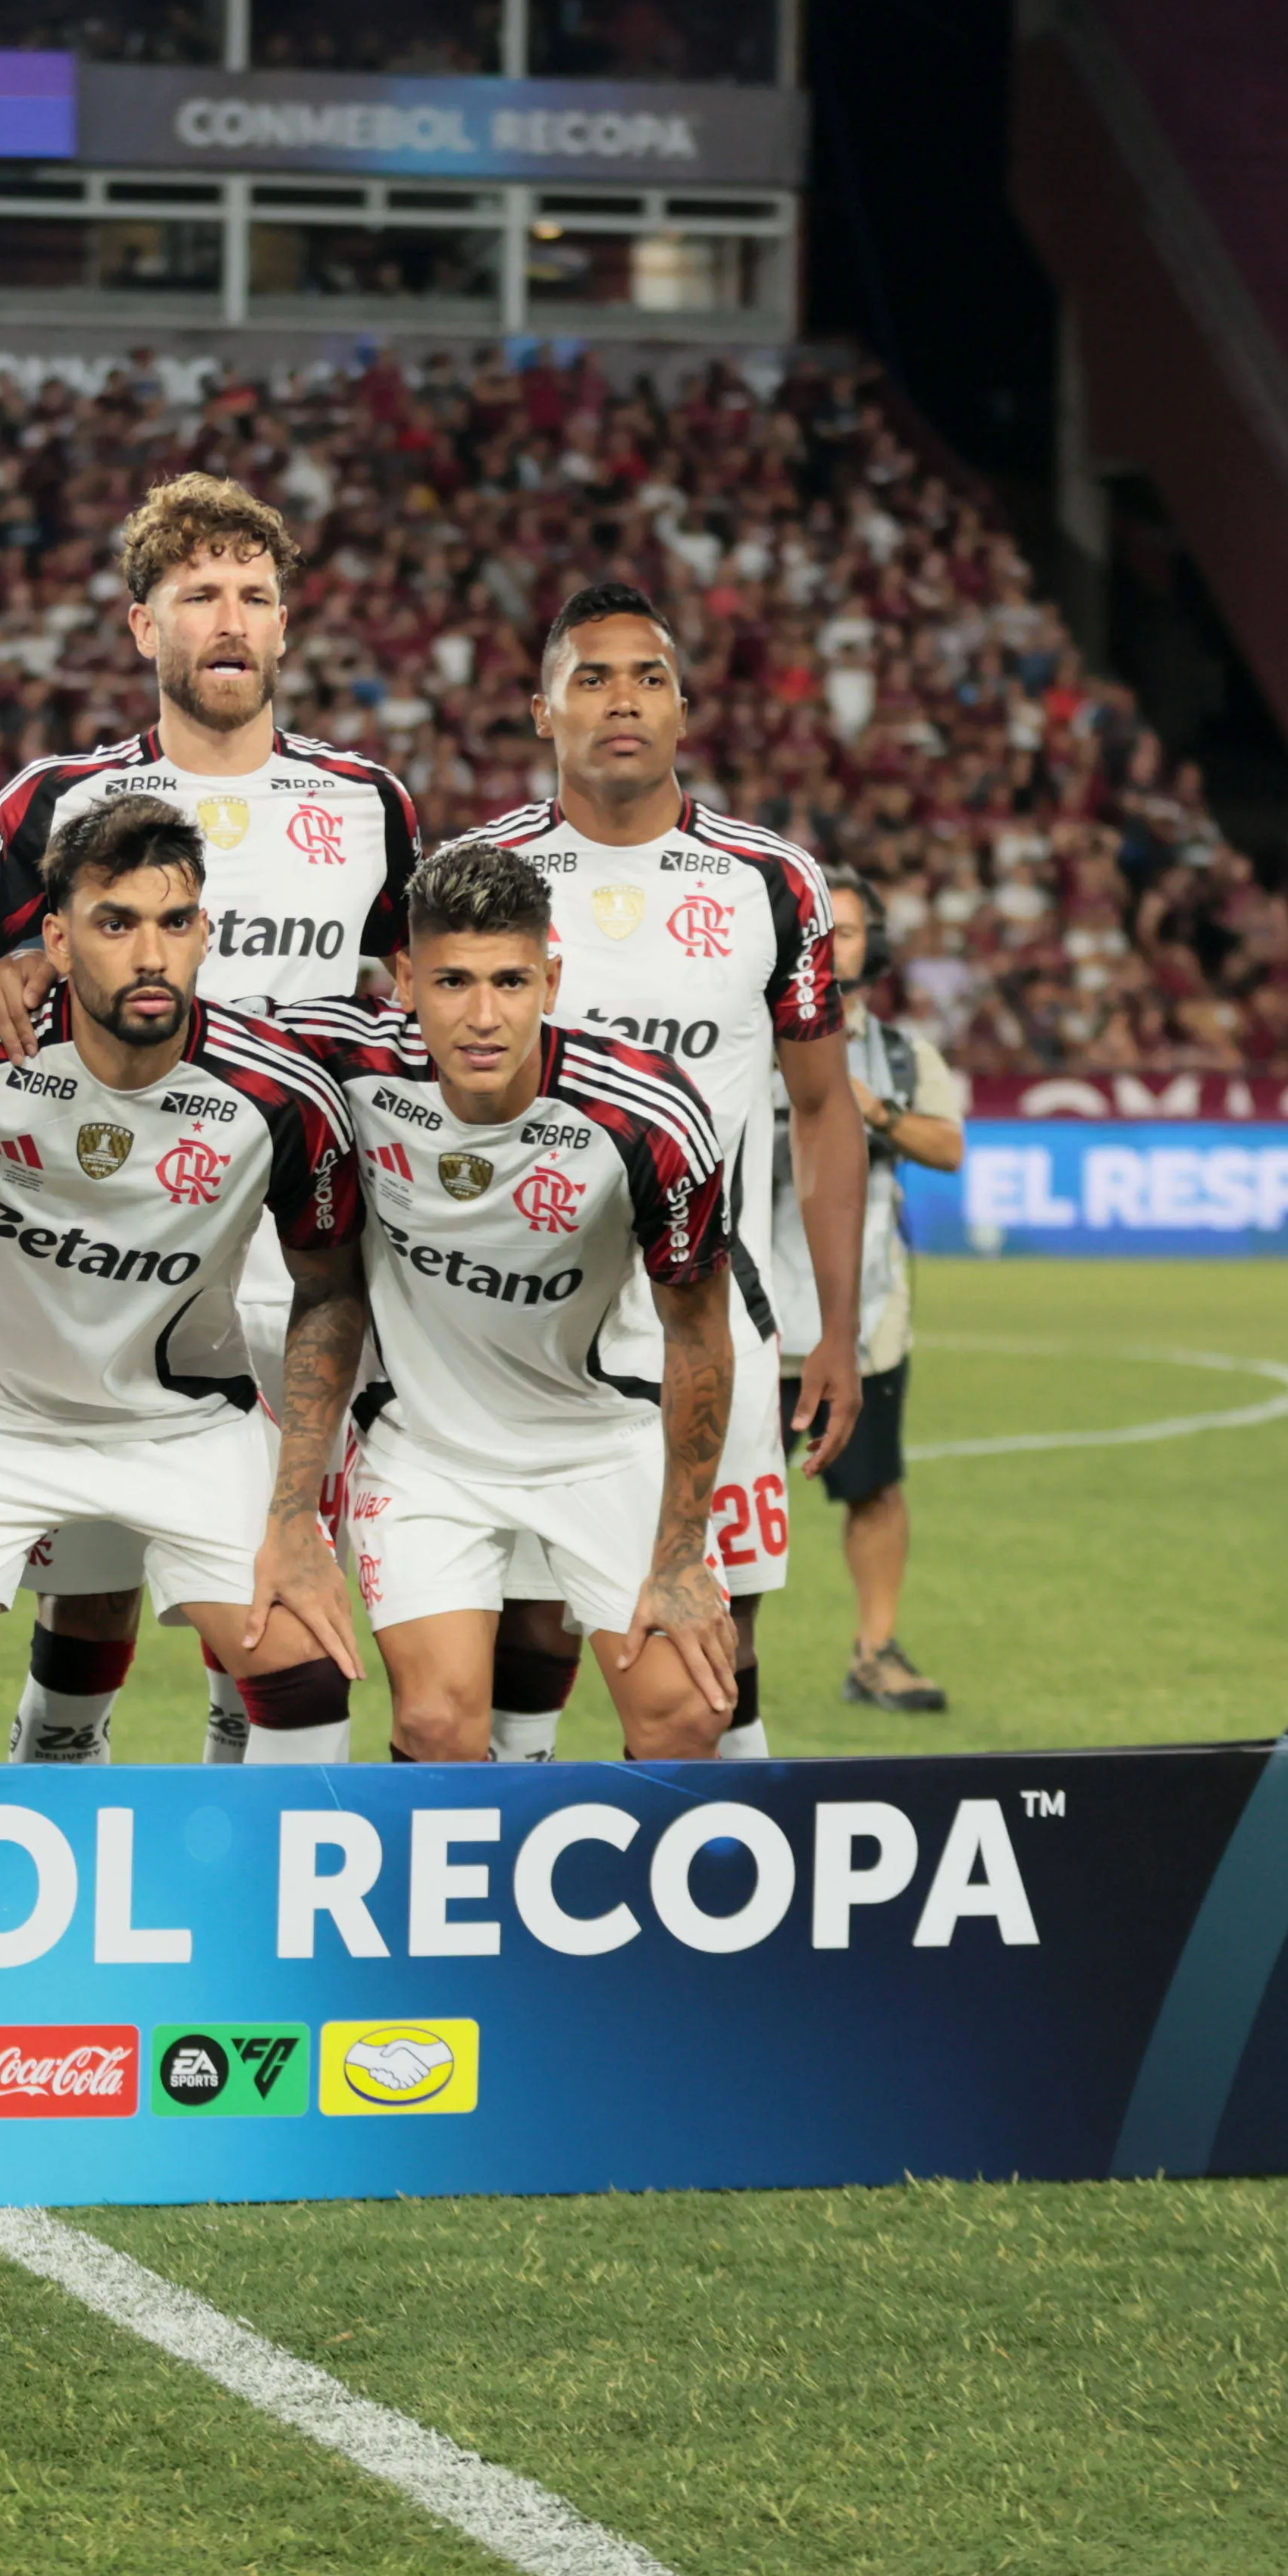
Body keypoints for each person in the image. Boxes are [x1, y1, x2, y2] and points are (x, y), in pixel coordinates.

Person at [0, 469, 418, 1762]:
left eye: (256, 593)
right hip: (103, 1261)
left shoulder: (370, 807)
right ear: (145, 627)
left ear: (289, 625)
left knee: (269, 1583)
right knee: (90, 1565)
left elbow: (417, 1009)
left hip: (300, 1264)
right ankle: (55, 1753)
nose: (231, 618)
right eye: (199, 594)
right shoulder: (56, 801)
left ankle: (232, 1824)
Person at [446, 580, 860, 1760]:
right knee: (528, 1639)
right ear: (542, 711)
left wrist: (836, 1329)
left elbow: (826, 1112)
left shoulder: (771, 882)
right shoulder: (481, 877)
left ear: (684, 711)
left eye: (649, 678)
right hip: (519, 1324)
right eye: (593, 677)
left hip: (713, 1319)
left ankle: (712, 1913)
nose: (622, 700)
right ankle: (514, 1916)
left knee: (715, 1650)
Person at [0, 795, 370, 1766]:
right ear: (54, 938)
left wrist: (296, 1512)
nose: (151, 955)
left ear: (205, 933)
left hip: (181, 1424)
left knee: (310, 1686)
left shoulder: (278, 1093)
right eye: (115, 923)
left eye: (174, 923)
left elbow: (330, 1293)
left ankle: (258, 1911)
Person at [280, 843, 742, 1760]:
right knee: (436, 1725)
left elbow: (698, 1337)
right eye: (451, 981)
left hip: (597, 1444)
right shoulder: (343, 1057)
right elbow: (172, 1020)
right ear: (404, 978)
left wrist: (682, 1553)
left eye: (511, 981)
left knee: (687, 1712)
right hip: (428, 1452)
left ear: (553, 978)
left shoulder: (645, 1116)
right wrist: (16, 969)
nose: (484, 1017)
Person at [769, 869, 967, 1713]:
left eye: (845, 930)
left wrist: (870, 1111)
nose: (830, 944)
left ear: (873, 948)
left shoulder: (901, 1054)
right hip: (740, 1313)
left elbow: (949, 1146)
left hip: (863, 1318)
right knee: (705, 1498)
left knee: (875, 1486)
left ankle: (876, 1649)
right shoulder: (738, 1039)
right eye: (818, 927)